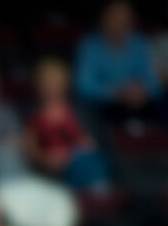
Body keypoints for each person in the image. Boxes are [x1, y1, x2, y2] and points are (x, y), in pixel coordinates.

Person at [24, 58, 108, 189]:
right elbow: (30, 151)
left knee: (87, 161)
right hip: (46, 173)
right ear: (39, 84)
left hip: (77, 168)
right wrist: (47, 160)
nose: (52, 86)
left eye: (57, 81)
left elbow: (89, 145)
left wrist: (68, 156)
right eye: (48, 82)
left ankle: (98, 195)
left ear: (66, 83)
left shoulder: (80, 112)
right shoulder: (32, 115)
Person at [75, 0, 164, 123]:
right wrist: (116, 93)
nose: (118, 22)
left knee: (162, 105)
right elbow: (84, 85)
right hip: (104, 106)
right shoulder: (89, 45)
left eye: (124, 18)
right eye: (113, 17)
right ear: (103, 19)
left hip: (140, 103)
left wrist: (143, 91)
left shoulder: (142, 44)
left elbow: (155, 82)